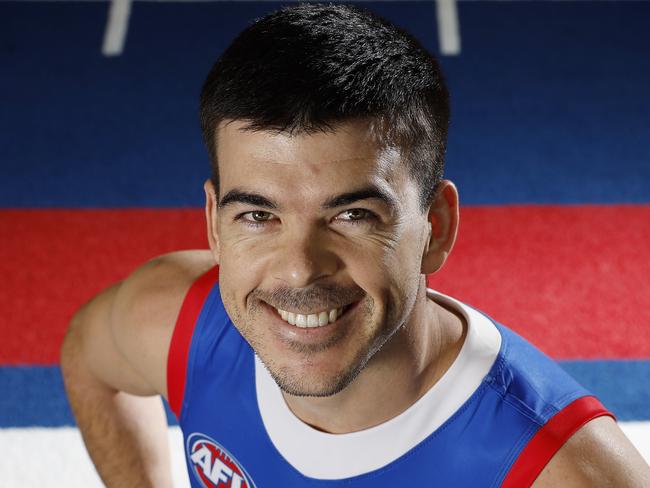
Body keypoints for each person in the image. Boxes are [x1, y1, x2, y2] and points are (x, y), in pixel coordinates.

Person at [60, 4, 650, 487]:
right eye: (259, 214)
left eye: (351, 215)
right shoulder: (174, 323)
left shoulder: (561, 473)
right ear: (215, 223)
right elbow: (87, 357)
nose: (298, 270)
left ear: (435, 226)